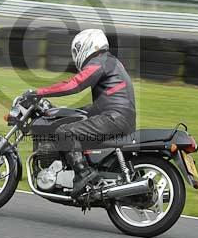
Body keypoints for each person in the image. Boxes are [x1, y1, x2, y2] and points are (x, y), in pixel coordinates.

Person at [23, 29, 136, 198]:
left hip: (114, 117)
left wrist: (39, 92)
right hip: (118, 116)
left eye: (77, 49)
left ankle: (84, 174)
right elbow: (100, 104)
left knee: (65, 132)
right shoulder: (111, 62)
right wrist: (62, 111)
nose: (76, 54)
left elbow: (74, 84)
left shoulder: (100, 61)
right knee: (77, 118)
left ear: (89, 45)